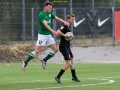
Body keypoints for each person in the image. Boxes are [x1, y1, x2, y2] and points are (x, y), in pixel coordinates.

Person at [22, 1, 69, 71]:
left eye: (51, 7)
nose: (51, 9)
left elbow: (57, 18)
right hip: (42, 35)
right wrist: (53, 31)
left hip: (48, 36)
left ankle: (44, 60)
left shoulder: (50, 13)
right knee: (37, 51)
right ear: (45, 7)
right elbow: (45, 25)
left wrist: (64, 22)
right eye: (50, 7)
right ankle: (25, 62)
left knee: (55, 49)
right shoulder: (41, 14)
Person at [55, 14, 80, 83]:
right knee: (68, 63)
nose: (73, 20)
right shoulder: (65, 25)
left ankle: (74, 77)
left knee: (72, 62)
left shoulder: (68, 27)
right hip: (63, 47)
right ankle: (58, 77)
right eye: (72, 19)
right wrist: (65, 35)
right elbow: (58, 32)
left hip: (67, 46)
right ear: (68, 19)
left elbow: (66, 37)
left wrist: (69, 41)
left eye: (74, 19)